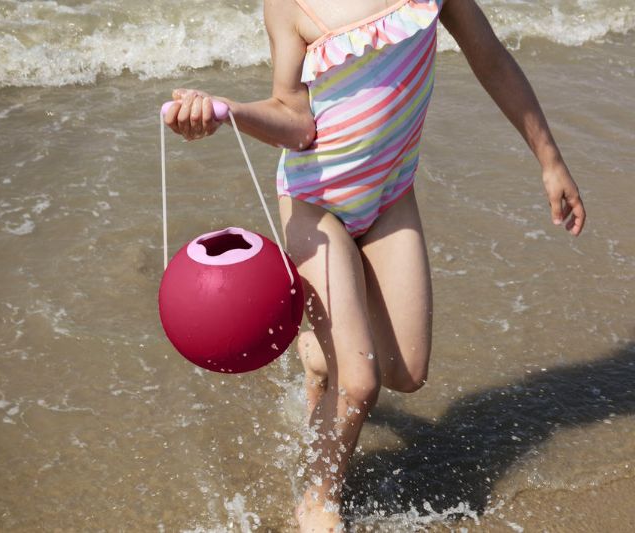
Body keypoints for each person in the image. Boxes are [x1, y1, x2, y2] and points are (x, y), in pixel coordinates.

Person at [163, 0, 586, 530]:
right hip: (315, 203)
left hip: (389, 197)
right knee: (360, 383)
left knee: (405, 373)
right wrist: (229, 111)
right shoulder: (289, 6)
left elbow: (492, 59)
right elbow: (296, 122)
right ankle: (317, 500)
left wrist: (550, 161)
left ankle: (322, 351)